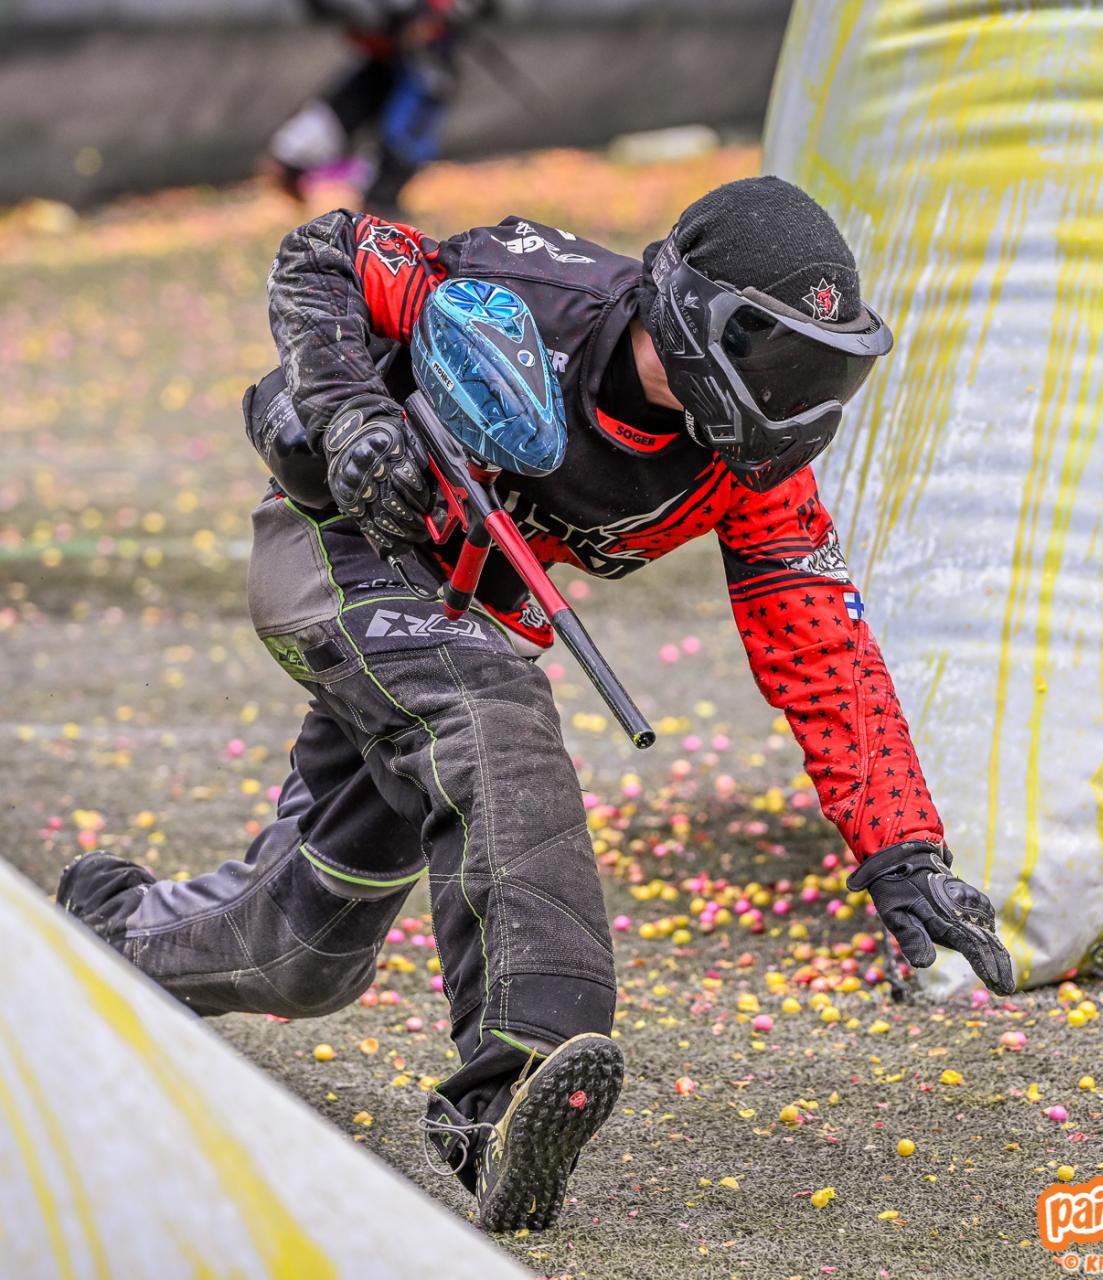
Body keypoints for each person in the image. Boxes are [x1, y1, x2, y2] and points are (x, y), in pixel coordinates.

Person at [57, 176, 1015, 1232]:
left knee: (305, 949)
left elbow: (820, 640)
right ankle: (511, 1085)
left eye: (823, 373)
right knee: (495, 716)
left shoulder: (751, 473)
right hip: (344, 546)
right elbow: (325, 251)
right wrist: (353, 414)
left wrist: (902, 850)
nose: (799, 403)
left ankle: (98, 937)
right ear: (697, 316)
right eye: (782, 360)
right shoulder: (531, 290)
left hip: (466, 610)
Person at [267, 0, 491, 218]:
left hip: (396, 26)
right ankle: (380, 200)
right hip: (408, 23)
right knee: (419, 102)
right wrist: (430, 14)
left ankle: (294, 152)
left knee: (374, 86)